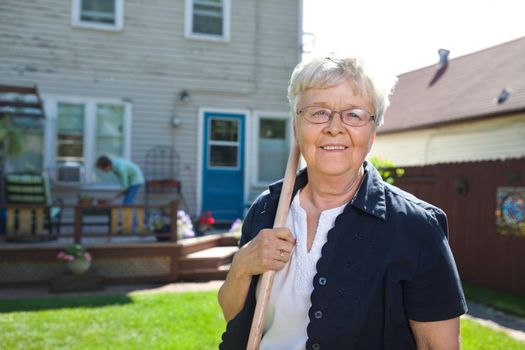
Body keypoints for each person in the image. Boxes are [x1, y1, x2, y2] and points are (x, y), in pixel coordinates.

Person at [218, 55, 467, 349]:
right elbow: (231, 313)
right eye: (318, 112)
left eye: (354, 114)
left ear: (372, 133)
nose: (334, 127)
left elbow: (438, 346)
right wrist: (242, 266)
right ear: (297, 128)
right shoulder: (266, 209)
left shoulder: (416, 228)